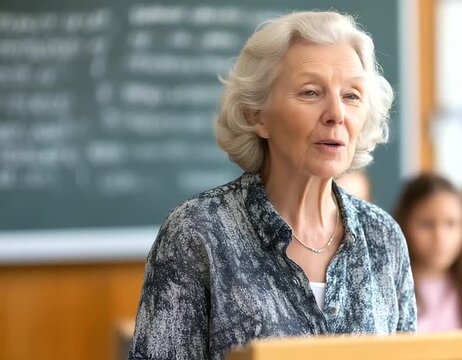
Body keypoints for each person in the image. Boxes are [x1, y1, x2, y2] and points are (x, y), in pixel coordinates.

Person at [128, 11, 416, 360]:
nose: (336, 113)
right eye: (311, 92)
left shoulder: (383, 237)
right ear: (257, 115)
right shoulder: (197, 233)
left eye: (352, 96)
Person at [395, 173, 462, 332]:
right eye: (427, 224)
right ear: (403, 225)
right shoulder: (389, 285)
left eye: (451, 224)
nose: (440, 238)